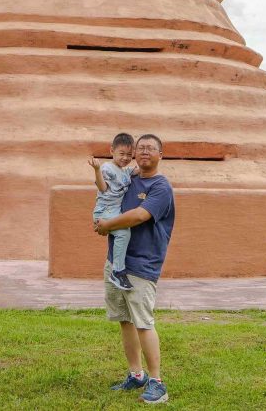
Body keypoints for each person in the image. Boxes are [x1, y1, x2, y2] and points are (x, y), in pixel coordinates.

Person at [94, 133, 175, 405]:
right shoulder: (128, 178)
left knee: (143, 321)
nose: (144, 152)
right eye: (140, 148)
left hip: (141, 264)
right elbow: (107, 192)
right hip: (116, 262)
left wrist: (108, 225)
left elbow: (140, 216)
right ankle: (136, 374)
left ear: (161, 155)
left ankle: (157, 382)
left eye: (151, 149)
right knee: (124, 320)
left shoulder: (161, 187)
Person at [89, 133, 138, 291]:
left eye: (129, 155)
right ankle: (118, 271)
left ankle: (117, 270)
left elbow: (136, 171)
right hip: (105, 212)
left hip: (114, 211)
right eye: (121, 154)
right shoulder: (107, 168)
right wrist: (96, 170)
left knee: (123, 233)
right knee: (124, 232)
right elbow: (103, 188)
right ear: (112, 151)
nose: (125, 158)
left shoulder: (124, 171)